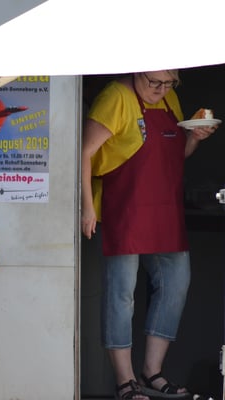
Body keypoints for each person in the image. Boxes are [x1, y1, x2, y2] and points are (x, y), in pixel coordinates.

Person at [81, 70, 218, 400]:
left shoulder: (169, 99)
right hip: (123, 207)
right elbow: (84, 152)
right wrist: (87, 207)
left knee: (176, 284)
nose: (161, 89)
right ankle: (124, 380)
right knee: (121, 294)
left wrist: (195, 139)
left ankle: (151, 371)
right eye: (154, 82)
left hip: (164, 209)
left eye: (169, 83)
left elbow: (174, 155)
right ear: (137, 71)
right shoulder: (116, 97)